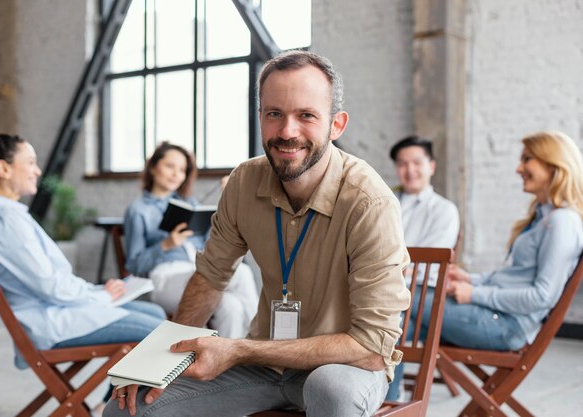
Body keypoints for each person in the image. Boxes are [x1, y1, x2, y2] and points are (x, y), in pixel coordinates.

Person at [104, 50, 411, 417]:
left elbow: (371, 346)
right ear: (260, 117)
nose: (287, 132)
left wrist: (239, 350)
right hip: (265, 369)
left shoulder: (369, 203)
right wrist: (152, 364)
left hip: (345, 368)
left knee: (329, 389)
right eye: (274, 114)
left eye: (306, 116)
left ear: (336, 125)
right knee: (130, 408)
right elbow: (210, 277)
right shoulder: (243, 182)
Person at [0, 134, 166, 412]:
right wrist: (102, 296)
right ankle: (119, 410)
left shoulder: (9, 216)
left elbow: (51, 279)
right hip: (49, 322)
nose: (37, 170)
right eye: (30, 162)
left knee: (158, 317)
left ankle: (110, 405)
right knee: (159, 334)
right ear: (3, 169)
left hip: (55, 311)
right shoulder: (4, 221)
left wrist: (97, 291)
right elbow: (50, 286)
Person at [387, 131, 583, 400]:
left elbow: (541, 297)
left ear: (553, 164)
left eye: (527, 159)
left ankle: (388, 400)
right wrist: (470, 280)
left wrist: (473, 293)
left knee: (404, 304)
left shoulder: (563, 222)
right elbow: (509, 278)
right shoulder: (543, 216)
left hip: (507, 326)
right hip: (496, 314)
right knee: (399, 320)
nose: (518, 168)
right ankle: (389, 400)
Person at [123, 141, 258, 338]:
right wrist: (165, 245)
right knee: (242, 272)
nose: (176, 174)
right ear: (153, 167)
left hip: (198, 269)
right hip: (165, 279)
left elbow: (213, 243)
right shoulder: (138, 210)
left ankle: (230, 364)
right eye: (170, 166)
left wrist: (227, 200)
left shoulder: (190, 204)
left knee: (231, 306)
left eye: (182, 169)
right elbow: (134, 265)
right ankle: (260, 340)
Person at [390, 135, 460, 286]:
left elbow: (428, 265)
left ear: (432, 167)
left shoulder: (444, 210)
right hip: (383, 284)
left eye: (417, 163)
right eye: (402, 164)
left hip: (420, 288)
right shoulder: (385, 203)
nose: (410, 170)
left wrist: (387, 272)